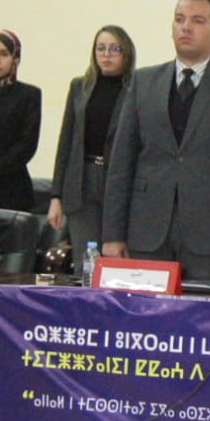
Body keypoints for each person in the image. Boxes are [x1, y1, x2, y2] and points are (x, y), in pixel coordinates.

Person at [103, 0, 210, 280]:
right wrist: (112, 233)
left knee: (206, 309)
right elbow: (121, 162)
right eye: (180, 20)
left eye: (197, 21)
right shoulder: (144, 82)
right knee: (143, 308)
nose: (186, 27)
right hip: (146, 232)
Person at [48, 26, 136, 268]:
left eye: (114, 49)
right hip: (82, 179)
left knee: (117, 257)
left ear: (126, 53)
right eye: (101, 48)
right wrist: (56, 196)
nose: (106, 55)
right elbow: (66, 142)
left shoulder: (136, 88)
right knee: (87, 260)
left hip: (117, 179)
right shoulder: (80, 86)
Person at [0, 30, 41, 211]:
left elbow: (27, 143)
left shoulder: (28, 95)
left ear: (15, 58)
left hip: (11, 187)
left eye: (4, 54)